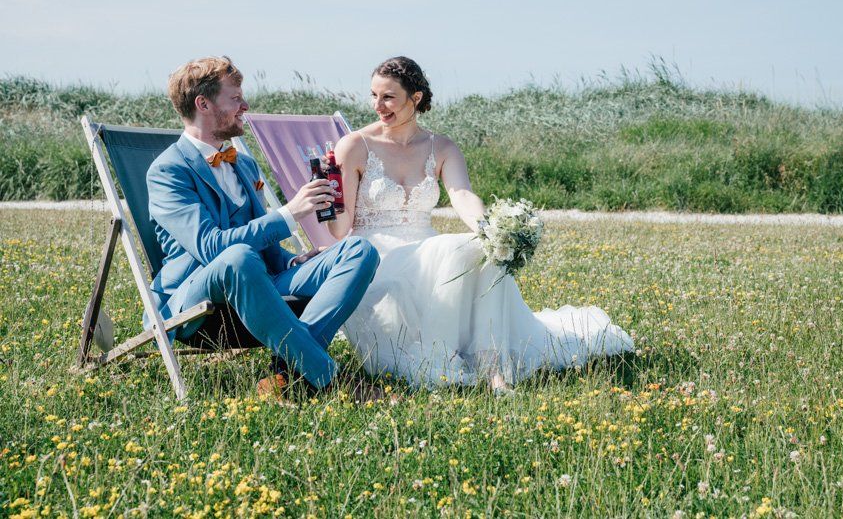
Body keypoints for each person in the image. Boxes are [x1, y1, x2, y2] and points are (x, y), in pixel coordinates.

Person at [328, 56, 633, 393]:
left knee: (481, 249)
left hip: (424, 247)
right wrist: (329, 197)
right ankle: (439, 361)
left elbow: (461, 194)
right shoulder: (355, 145)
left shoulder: (439, 146)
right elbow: (340, 231)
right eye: (373, 95)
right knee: (454, 248)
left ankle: (493, 369)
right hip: (377, 256)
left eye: (388, 97)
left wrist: (491, 230)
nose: (377, 106)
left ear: (415, 98)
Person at [146, 56, 380, 401]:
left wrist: (290, 263)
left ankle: (288, 374)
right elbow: (212, 248)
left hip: (260, 278)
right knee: (238, 256)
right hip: (194, 296)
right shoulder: (167, 170)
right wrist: (290, 214)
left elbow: (264, 246)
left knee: (359, 251)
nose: (246, 105)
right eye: (235, 98)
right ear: (203, 104)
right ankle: (328, 377)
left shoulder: (243, 162)